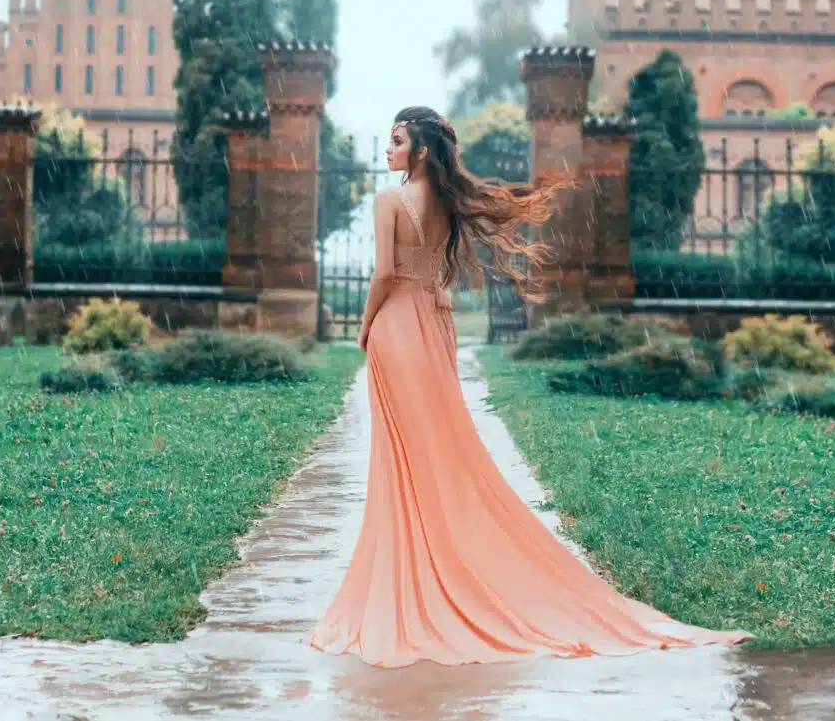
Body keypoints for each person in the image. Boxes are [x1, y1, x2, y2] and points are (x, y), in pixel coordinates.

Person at [307, 106, 751, 668]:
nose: (387, 150)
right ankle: (442, 558)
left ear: (421, 152)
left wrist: (366, 326)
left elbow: (385, 275)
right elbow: (431, 272)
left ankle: (419, 569)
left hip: (397, 324)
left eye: (396, 142)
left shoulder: (388, 202)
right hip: (433, 320)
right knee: (439, 448)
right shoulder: (447, 202)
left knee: (404, 455)